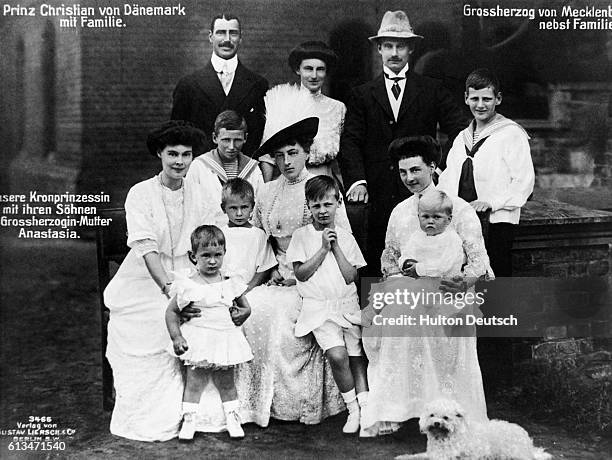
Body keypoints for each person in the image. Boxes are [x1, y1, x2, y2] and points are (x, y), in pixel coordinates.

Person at [361, 136, 491, 437]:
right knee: (396, 312)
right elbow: (389, 259)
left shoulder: (458, 208)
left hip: (451, 290)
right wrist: (399, 281)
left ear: (433, 167)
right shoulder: (399, 212)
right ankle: (398, 410)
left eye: (416, 170)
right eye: (403, 171)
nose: (409, 178)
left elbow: (478, 261)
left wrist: (464, 281)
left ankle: (449, 412)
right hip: (410, 289)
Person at [235, 103, 352, 426]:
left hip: (316, 276)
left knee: (281, 315)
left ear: (307, 152)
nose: (286, 162)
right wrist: (272, 271)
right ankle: (257, 403)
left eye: (293, 153)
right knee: (253, 307)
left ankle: (298, 402)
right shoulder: (268, 191)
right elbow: (260, 238)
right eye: (279, 156)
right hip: (278, 274)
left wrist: (299, 277)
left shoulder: (320, 188)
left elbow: (338, 240)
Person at [103, 121, 216, 441]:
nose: (180, 162)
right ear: (159, 154)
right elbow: (147, 250)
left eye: (187, 154)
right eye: (172, 154)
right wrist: (171, 291)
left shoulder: (201, 189)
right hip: (147, 276)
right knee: (153, 320)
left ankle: (201, 412)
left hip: (191, 272)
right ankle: (153, 413)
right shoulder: (140, 193)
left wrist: (199, 285)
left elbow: (212, 238)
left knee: (209, 316)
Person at [339, 10, 465, 276]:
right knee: (378, 251)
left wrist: (439, 168)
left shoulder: (432, 89)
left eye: (400, 46)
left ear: (411, 49)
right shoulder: (362, 94)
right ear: (379, 50)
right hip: (378, 189)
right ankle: (376, 313)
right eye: (388, 46)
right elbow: (350, 139)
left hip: (421, 191)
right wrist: (358, 180)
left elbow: (459, 131)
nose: (394, 53)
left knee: (421, 252)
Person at [286, 175, 368, 433]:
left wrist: (335, 247)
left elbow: (350, 276)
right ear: (309, 207)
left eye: (328, 205)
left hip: (347, 305)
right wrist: (322, 248)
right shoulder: (301, 236)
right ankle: (352, 409)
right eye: (316, 205)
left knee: (356, 356)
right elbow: (301, 274)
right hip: (319, 308)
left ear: (338, 204)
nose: (322, 211)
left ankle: (366, 411)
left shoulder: (346, 236)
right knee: (337, 354)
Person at [438, 68, 535, 277]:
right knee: (465, 276)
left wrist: (492, 201)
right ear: (466, 98)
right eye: (474, 98)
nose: (480, 105)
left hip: (497, 220)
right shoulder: (461, 137)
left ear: (498, 99)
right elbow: (448, 177)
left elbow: (523, 181)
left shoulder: (511, 134)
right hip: (464, 220)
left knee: (495, 275)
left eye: (486, 99)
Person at [165, 225, 252, 441]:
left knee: (226, 380)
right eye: (206, 256)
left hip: (224, 336)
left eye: (217, 255)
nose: (212, 261)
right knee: (195, 380)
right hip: (199, 336)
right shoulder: (189, 284)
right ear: (193, 257)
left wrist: (243, 313)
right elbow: (171, 312)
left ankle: (232, 417)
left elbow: (245, 306)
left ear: (224, 254)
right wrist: (177, 337)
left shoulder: (229, 281)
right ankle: (189, 419)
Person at [345, 189, 465, 327]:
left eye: (436, 217)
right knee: (393, 282)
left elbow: (444, 266)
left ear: (448, 219)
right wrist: (407, 262)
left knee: (400, 286)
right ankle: (369, 314)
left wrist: (419, 269)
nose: (430, 221)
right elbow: (407, 253)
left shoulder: (451, 239)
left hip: (444, 285)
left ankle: (370, 314)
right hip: (422, 281)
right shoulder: (418, 236)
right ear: (418, 216)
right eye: (425, 217)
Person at [171, 13, 268, 157]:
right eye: (221, 33)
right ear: (211, 37)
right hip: (201, 171)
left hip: (243, 172)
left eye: (233, 33)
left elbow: (261, 136)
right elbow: (177, 137)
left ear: (241, 38)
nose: (227, 40)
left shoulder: (258, 84)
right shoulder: (188, 85)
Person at [259, 41, 346, 182]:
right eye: (308, 68)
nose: (314, 75)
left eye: (320, 69)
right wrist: (266, 189)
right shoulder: (282, 102)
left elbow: (345, 156)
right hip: (290, 181)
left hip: (325, 181)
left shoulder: (337, 108)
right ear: (298, 70)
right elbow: (268, 158)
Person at [187, 110, 264, 226]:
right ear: (215, 137)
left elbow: (260, 206)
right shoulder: (199, 166)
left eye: (237, 140)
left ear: (245, 138)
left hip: (246, 236)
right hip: (211, 237)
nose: (231, 146)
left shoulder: (252, 169)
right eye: (226, 140)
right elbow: (190, 209)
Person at [219, 178, 277, 291]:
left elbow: (264, 268)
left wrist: (248, 289)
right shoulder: (219, 234)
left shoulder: (259, 235)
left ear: (252, 206)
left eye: (244, 207)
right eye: (233, 208)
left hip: (251, 289)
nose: (239, 213)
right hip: (223, 288)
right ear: (223, 208)